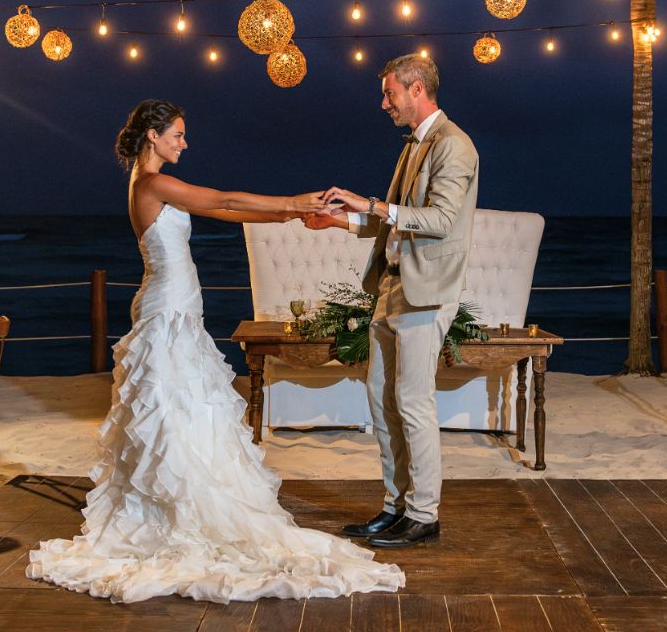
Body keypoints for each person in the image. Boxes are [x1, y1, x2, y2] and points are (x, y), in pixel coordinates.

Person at [28, 99, 404, 603]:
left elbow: (226, 211)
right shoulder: (151, 183)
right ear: (153, 137)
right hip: (167, 310)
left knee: (185, 406)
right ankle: (172, 507)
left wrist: (294, 216)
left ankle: (175, 498)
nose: (185, 143)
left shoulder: (154, 185)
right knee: (168, 407)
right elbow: (222, 197)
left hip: (177, 303)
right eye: (178, 135)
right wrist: (294, 201)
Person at [306, 54, 479, 548]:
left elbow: (441, 221)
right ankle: (395, 506)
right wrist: (338, 220)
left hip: (427, 292)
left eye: (390, 94)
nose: (385, 104)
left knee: (412, 401)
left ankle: (424, 514)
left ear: (416, 87)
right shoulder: (413, 148)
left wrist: (371, 203)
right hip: (392, 287)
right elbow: (392, 222)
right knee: (382, 400)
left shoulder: (455, 146)